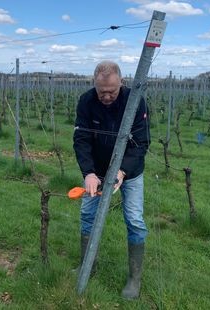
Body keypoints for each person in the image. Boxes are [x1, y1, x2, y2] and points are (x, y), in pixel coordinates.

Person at [73, 60, 150, 299]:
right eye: (102, 91)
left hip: (130, 172)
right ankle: (89, 266)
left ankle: (134, 278)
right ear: (94, 85)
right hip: (98, 170)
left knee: (134, 220)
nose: (106, 96)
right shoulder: (86, 101)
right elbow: (81, 140)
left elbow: (142, 143)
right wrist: (89, 173)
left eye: (112, 91)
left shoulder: (135, 101)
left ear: (121, 83)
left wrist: (122, 172)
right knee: (87, 214)